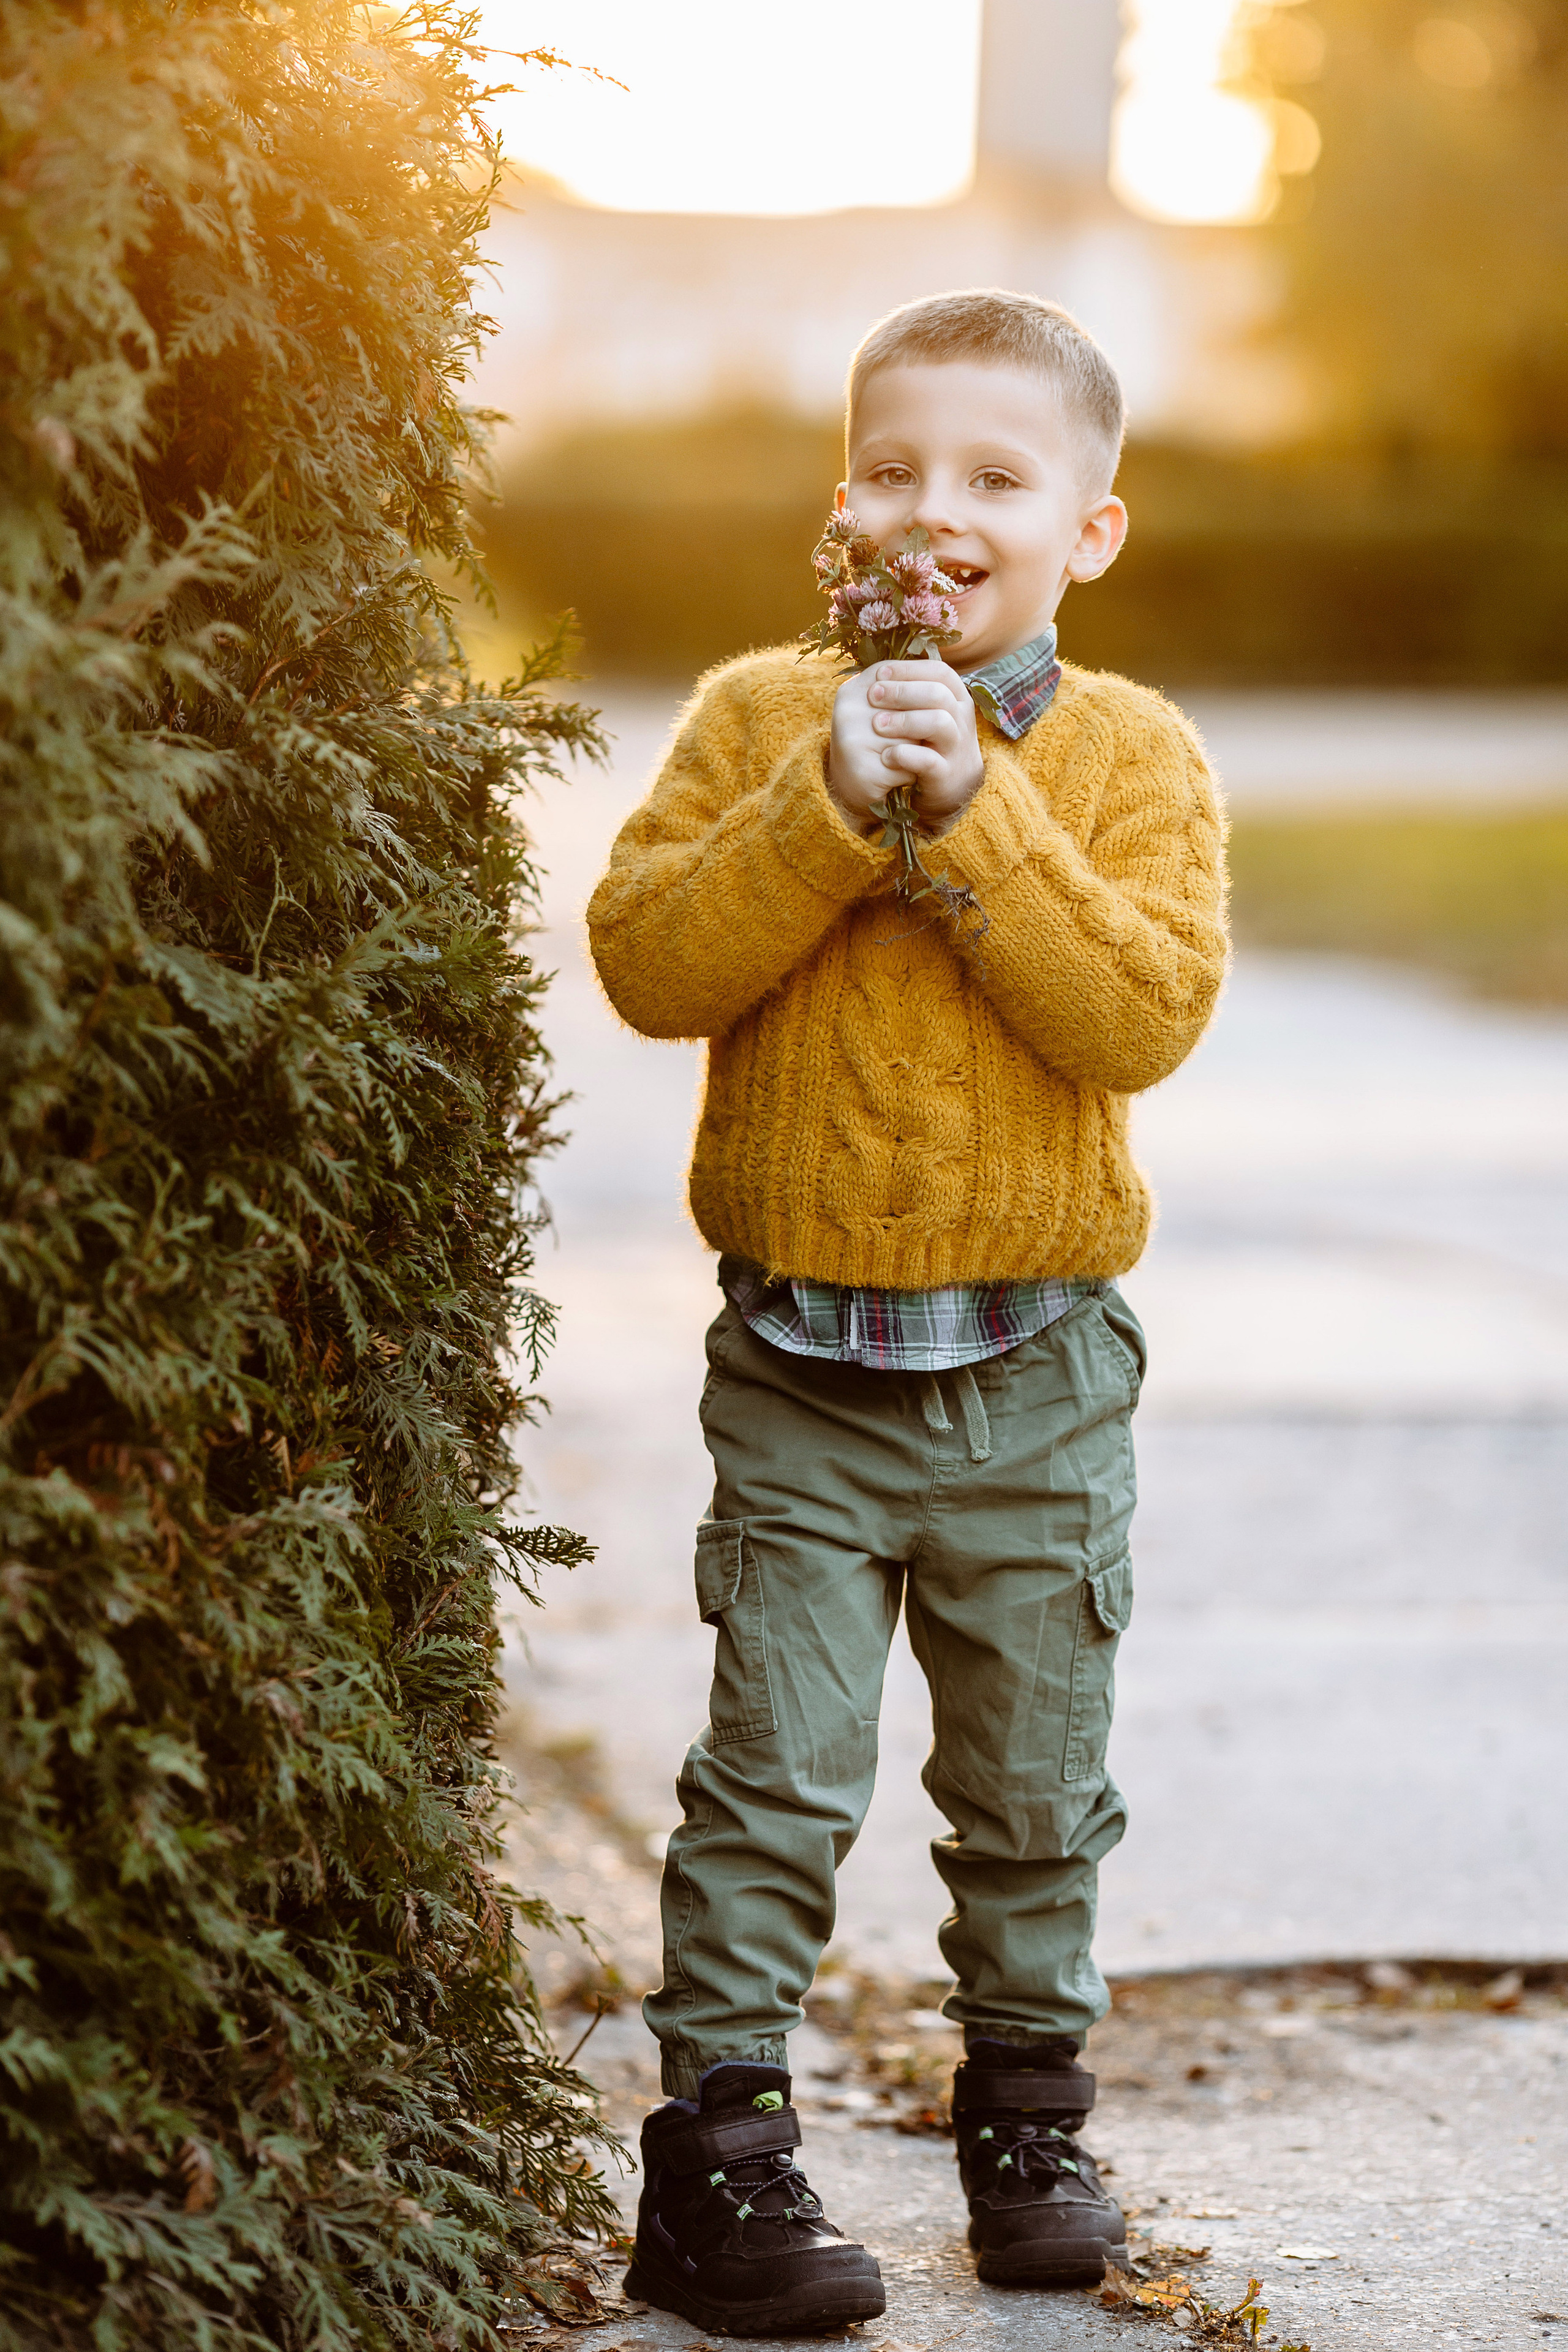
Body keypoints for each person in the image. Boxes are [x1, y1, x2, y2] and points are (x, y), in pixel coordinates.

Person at [586, 287, 1229, 2337]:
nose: (932, 508)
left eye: (993, 477)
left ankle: (1027, 2111)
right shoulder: (760, 720)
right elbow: (651, 962)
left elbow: (1140, 1006)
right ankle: (720, 2157)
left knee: (1036, 1786)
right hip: (799, 1376)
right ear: (836, 508)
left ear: (1087, 531)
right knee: (774, 1775)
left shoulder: (1132, 757)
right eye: (890, 469)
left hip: (1036, 1379)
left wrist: (974, 814)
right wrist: (822, 806)